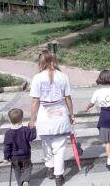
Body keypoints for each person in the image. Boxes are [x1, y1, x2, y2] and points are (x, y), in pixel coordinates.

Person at [29, 50, 75, 186]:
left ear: (41, 61)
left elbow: (35, 101)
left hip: (44, 117)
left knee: (46, 144)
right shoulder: (63, 76)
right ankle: (58, 176)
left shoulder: (37, 78)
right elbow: (68, 98)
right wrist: (71, 114)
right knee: (59, 148)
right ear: (54, 61)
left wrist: (32, 120)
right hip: (60, 116)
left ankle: (50, 168)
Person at [84, 70, 110, 171]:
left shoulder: (97, 92)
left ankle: (109, 160)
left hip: (104, 115)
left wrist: (86, 108)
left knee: (107, 140)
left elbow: (92, 103)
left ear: (100, 79)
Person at [3, 108, 36, 186]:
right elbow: (32, 137)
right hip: (26, 155)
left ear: (9, 120)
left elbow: (7, 147)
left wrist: (6, 158)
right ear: (22, 119)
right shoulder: (26, 130)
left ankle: (20, 184)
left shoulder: (8, 133)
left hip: (14, 157)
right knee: (27, 168)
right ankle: (25, 181)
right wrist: (32, 128)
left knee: (17, 171)